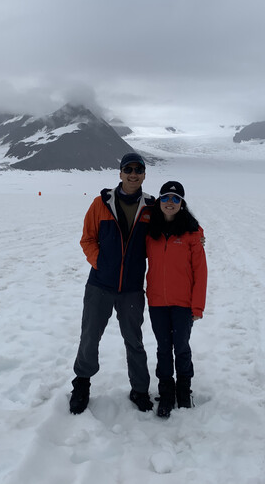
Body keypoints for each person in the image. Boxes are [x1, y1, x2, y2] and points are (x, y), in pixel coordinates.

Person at [70, 152, 156, 414]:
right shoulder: (101, 203)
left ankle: (140, 389)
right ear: (120, 174)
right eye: (128, 169)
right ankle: (82, 384)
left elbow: (172, 230)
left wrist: (196, 238)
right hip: (100, 286)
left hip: (131, 289)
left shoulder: (151, 207)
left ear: (143, 174)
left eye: (138, 170)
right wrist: (100, 263)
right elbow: (87, 239)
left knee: (134, 341)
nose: (133, 174)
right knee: (89, 337)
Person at [145, 181, 207, 418]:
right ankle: (166, 391)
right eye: (165, 198)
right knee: (163, 348)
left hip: (183, 303)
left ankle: (184, 390)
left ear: (182, 203)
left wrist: (197, 305)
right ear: (159, 201)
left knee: (181, 346)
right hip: (157, 301)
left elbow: (200, 271)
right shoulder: (151, 232)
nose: (169, 203)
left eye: (175, 199)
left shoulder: (193, 233)